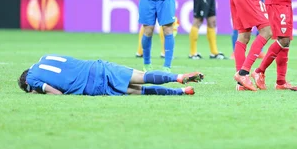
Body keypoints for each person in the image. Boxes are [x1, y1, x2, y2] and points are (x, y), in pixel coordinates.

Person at [18, 54, 203, 96]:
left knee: (136, 91)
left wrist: (37, 91)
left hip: (91, 87)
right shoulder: (45, 57)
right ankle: (176, 77)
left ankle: (181, 91)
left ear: (27, 82)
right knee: (141, 75)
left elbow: (55, 93)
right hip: (96, 67)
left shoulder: (32, 80)